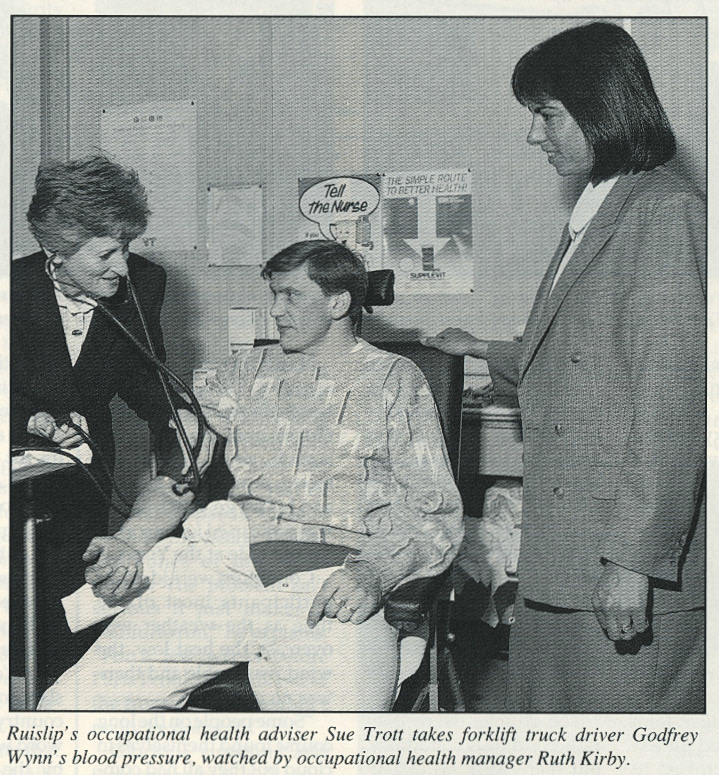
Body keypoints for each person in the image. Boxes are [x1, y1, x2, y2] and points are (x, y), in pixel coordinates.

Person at [38, 239, 464, 711]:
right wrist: (132, 540)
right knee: (69, 707)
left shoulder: (394, 380)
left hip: (333, 582)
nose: (275, 311)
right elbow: (183, 470)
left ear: (339, 303)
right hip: (225, 574)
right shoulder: (244, 372)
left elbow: (433, 511)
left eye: (290, 296)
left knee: (343, 740)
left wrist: (375, 573)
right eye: (273, 295)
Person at [424, 22, 705, 712]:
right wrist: (484, 350)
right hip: (563, 555)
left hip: (618, 559)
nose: (533, 136)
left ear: (603, 107)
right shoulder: (597, 212)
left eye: (545, 113)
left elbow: (672, 403)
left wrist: (633, 560)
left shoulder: (664, 212)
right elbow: (581, 360)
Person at [11, 155, 177, 679]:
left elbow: (145, 377)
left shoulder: (143, 283)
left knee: (76, 595)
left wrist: (180, 424)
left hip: (88, 464)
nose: (122, 266)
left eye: (126, 248)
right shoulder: (11, 290)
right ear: (54, 253)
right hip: (17, 464)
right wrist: (32, 418)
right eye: (106, 253)